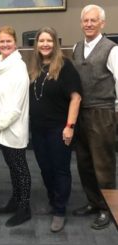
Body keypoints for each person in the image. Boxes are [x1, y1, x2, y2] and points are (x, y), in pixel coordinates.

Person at [29, 27, 82, 232]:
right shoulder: (34, 67)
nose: (45, 44)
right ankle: (53, 200)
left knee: (60, 170)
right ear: (36, 44)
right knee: (45, 168)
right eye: (41, 41)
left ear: (55, 43)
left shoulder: (65, 66)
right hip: (38, 129)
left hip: (59, 128)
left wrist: (70, 126)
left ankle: (60, 210)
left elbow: (76, 97)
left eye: (49, 41)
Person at [72, 4, 118, 230]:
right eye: (85, 21)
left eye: (93, 20)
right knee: (85, 162)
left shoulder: (111, 49)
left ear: (102, 23)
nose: (89, 24)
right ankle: (93, 202)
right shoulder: (77, 47)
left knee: (104, 164)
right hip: (81, 113)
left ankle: (107, 209)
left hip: (102, 113)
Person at [0, 26, 31, 227]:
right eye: (1, 41)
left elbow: (16, 107)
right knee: (12, 167)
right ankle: (15, 200)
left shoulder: (18, 68)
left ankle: (24, 208)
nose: (5, 45)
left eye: (8, 41)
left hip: (11, 127)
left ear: (16, 43)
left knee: (20, 168)